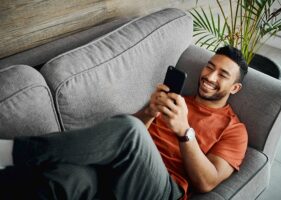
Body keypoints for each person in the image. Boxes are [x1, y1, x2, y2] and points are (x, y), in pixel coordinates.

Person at [0, 45, 248, 200]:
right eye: (209, 67)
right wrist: (150, 111)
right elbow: (128, 136)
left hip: (163, 189)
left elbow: (206, 182)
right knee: (67, 177)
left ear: (234, 88)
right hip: (120, 171)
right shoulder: (176, 99)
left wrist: (185, 131)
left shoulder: (235, 130)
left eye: (222, 75)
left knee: (131, 130)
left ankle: (10, 152)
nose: (210, 77)